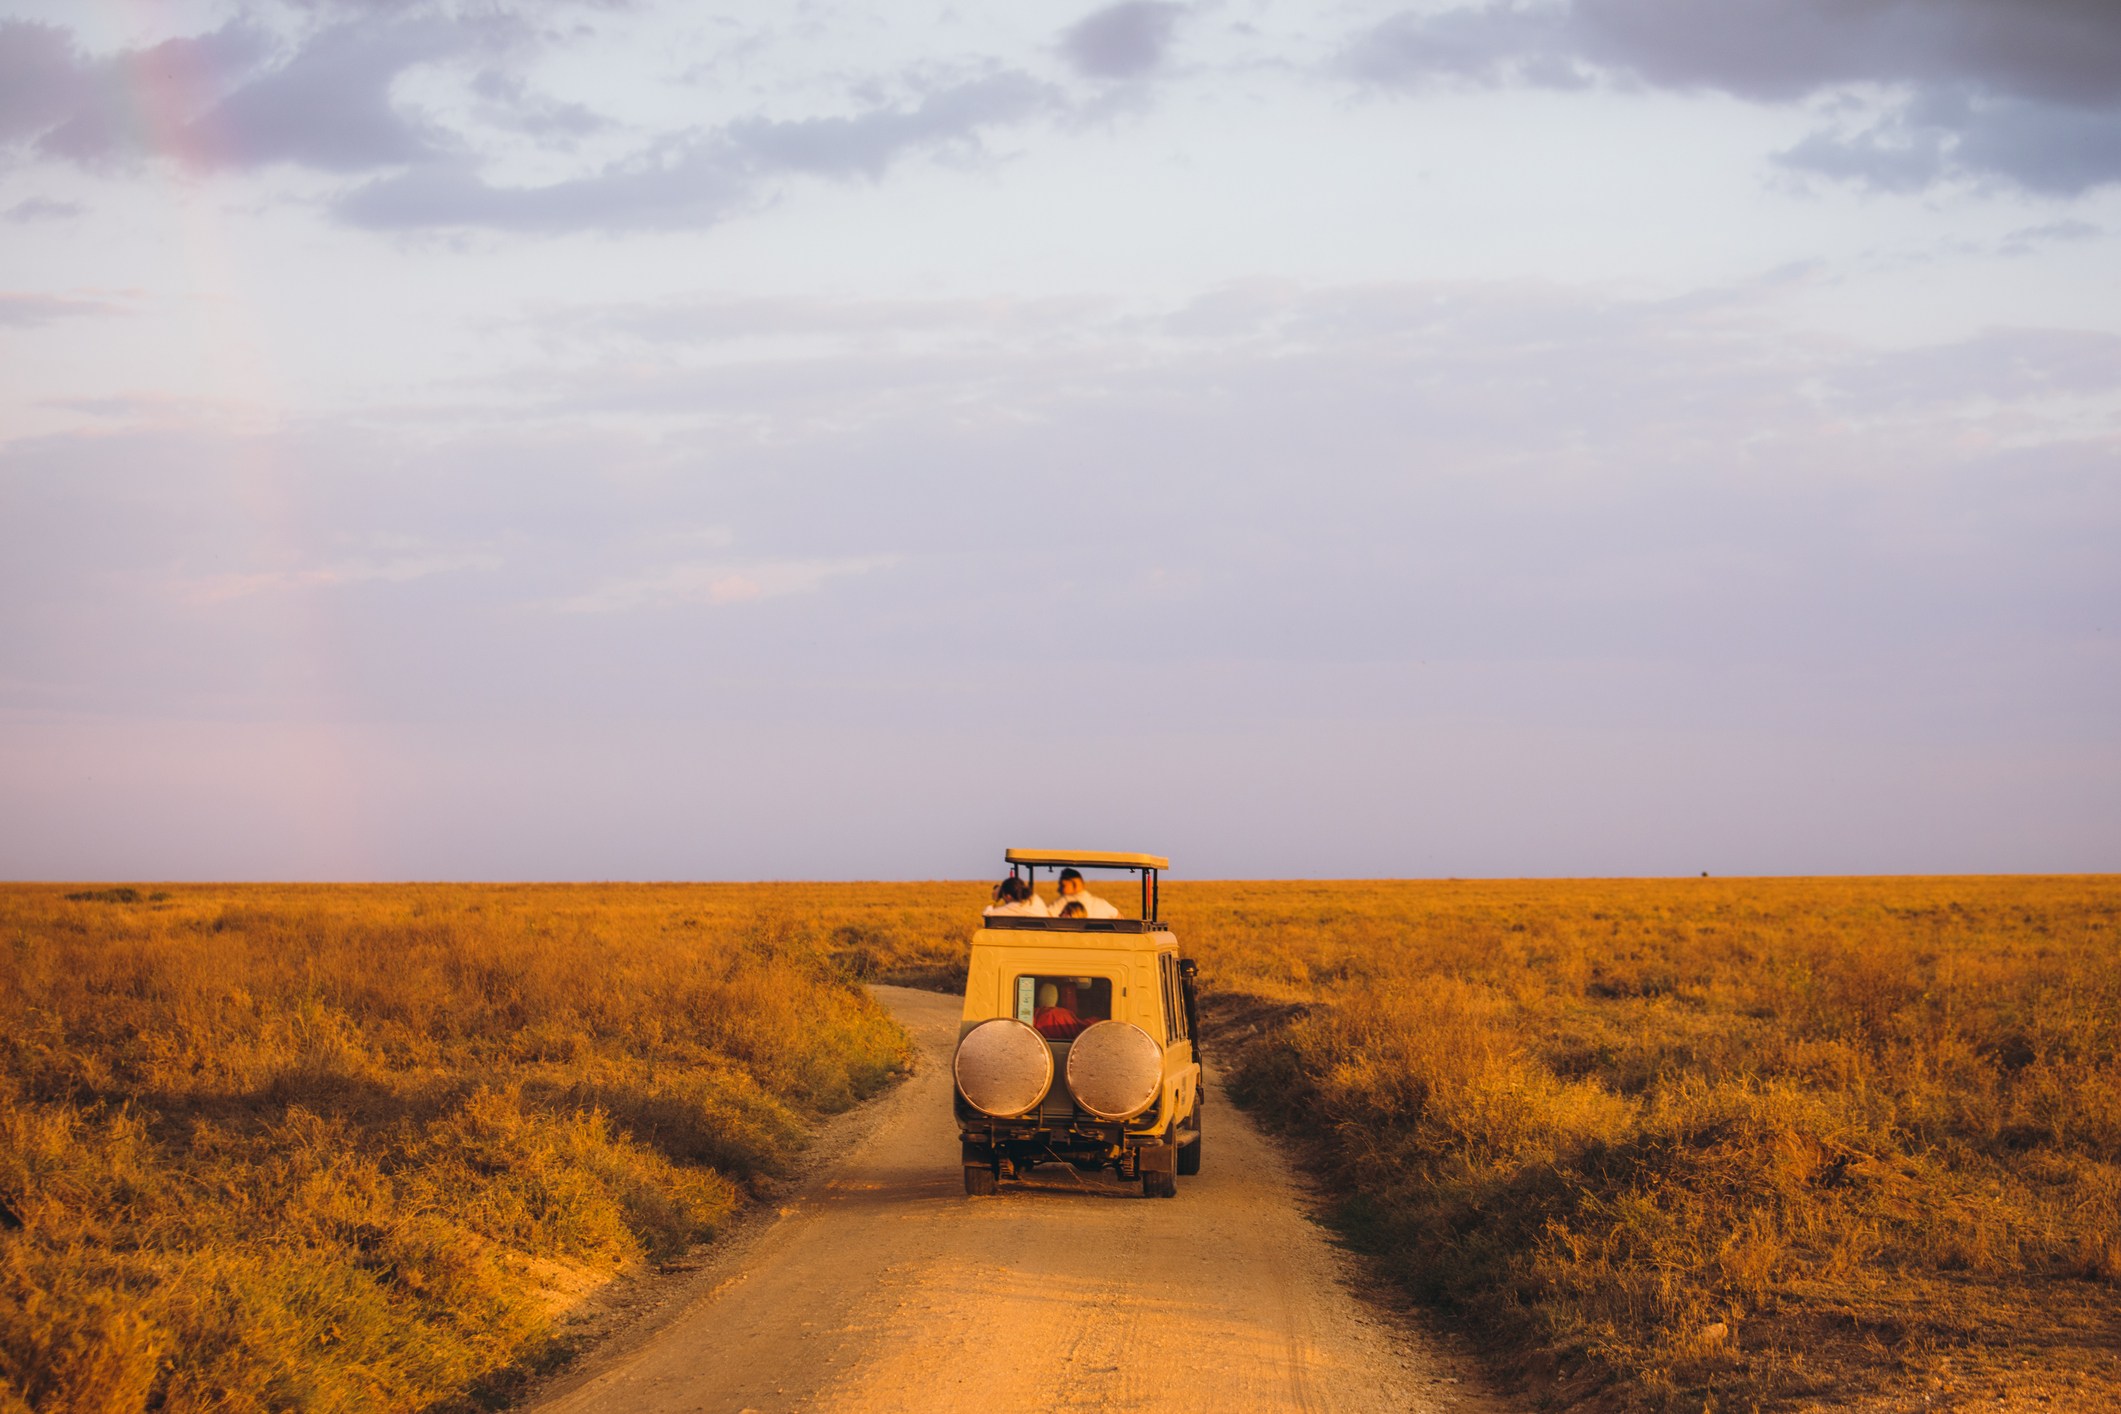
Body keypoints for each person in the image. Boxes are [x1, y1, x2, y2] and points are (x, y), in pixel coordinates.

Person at [1053, 868, 1120, 919]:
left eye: (1063, 886)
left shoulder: (1062, 902)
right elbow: (1120, 919)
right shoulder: (1103, 903)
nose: (1058, 890)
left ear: (1075, 885)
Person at [983, 876, 1048, 917]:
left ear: (1008, 896)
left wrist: (994, 900)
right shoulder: (1035, 898)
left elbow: (987, 915)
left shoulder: (1013, 907)